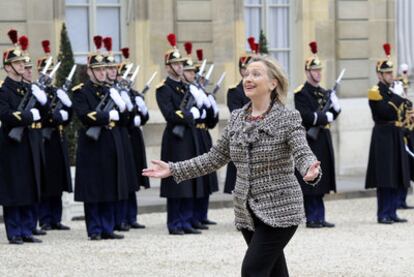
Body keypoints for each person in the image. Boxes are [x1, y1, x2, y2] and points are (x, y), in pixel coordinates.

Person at [144, 55, 321, 276]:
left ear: (273, 83)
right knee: (274, 271)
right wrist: (173, 169)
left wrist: (309, 169)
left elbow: (302, 151)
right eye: (246, 74)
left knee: (252, 270)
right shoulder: (237, 118)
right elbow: (214, 158)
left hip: (281, 209)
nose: (248, 78)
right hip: (247, 212)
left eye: (256, 74)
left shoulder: (288, 118)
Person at [72, 35, 129, 240]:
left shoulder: (111, 90)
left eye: (105, 69)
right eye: (98, 69)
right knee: (94, 187)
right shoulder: (81, 91)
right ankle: (94, 229)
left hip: (109, 141)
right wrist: (107, 115)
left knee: (109, 185)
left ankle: (107, 226)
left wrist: (123, 107)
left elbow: (125, 119)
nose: (103, 72)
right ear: (89, 71)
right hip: (92, 143)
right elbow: (84, 115)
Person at [0, 29, 48, 244]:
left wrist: (43, 101)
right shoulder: (3, 89)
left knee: (30, 185)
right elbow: (5, 115)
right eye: (18, 64)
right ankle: (14, 231)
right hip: (12, 144)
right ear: (8, 67)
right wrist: (29, 115)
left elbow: (45, 114)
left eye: (23, 64)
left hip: (30, 142)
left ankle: (28, 229)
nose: (23, 67)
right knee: (14, 188)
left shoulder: (28, 89)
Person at [155, 33, 205, 235]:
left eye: (181, 64)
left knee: (190, 177)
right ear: (168, 67)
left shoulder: (188, 88)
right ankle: (174, 222)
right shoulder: (163, 89)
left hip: (190, 137)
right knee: (176, 180)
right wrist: (188, 115)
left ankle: (187, 220)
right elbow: (169, 113)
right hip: (176, 139)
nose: (179, 67)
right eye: (175, 65)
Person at [294, 41, 339, 228]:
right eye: (314, 70)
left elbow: (331, 115)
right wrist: (323, 116)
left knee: (323, 177)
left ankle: (320, 216)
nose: (318, 73)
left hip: (323, 138)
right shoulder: (301, 93)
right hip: (310, 140)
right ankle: (311, 217)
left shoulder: (324, 92)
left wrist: (336, 109)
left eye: (320, 70)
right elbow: (304, 115)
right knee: (311, 177)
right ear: (307, 72)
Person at [365, 43, 410, 224]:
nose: (391, 76)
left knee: (396, 173)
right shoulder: (375, 92)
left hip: (396, 132)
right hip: (383, 134)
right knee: (385, 175)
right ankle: (383, 212)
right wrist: (398, 97)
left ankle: (392, 211)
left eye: (392, 73)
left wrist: (403, 97)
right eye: (387, 73)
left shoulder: (394, 89)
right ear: (380, 75)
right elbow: (384, 112)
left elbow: (405, 109)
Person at [37, 40, 73, 231]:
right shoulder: (37, 91)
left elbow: (68, 114)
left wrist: (66, 114)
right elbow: (39, 114)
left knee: (57, 180)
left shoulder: (56, 91)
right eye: (46, 70)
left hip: (57, 139)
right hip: (45, 138)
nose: (49, 74)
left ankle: (56, 218)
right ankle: (44, 218)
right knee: (46, 180)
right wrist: (54, 117)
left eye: (51, 70)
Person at [182, 44, 219, 229]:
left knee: (205, 176)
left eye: (193, 71)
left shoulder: (199, 92)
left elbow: (211, 122)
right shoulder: (187, 91)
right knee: (194, 177)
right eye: (189, 71)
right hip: (192, 134)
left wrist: (212, 107)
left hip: (203, 134)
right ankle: (192, 217)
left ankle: (200, 215)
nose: (193, 75)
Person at [117, 46, 149, 229]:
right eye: (124, 76)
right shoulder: (118, 94)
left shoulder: (134, 94)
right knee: (125, 178)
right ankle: (122, 216)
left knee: (134, 177)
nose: (127, 79)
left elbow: (144, 119)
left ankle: (132, 216)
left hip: (135, 138)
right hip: (124, 136)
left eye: (129, 76)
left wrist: (141, 110)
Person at [223, 40, 254, 194]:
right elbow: (238, 115)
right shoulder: (234, 92)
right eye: (245, 70)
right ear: (241, 71)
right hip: (243, 139)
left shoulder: (261, 90)